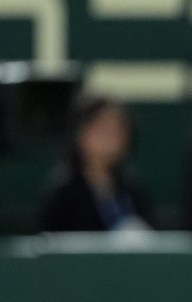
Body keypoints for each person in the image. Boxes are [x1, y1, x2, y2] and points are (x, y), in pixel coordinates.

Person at [38, 93, 153, 232]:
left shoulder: (133, 190)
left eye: (118, 130)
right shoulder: (62, 193)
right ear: (80, 133)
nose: (111, 138)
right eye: (102, 129)